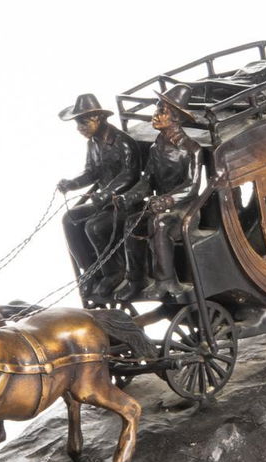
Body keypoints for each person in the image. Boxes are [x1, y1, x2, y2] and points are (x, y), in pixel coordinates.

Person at [112, 85, 201, 300]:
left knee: (159, 224)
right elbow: (147, 180)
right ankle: (135, 279)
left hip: (186, 210)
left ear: (176, 118)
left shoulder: (191, 149)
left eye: (162, 111)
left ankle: (167, 281)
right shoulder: (155, 147)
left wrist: (167, 200)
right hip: (159, 206)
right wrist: (128, 197)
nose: (155, 114)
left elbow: (192, 186)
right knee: (131, 222)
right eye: (157, 109)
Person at [56, 94, 140, 300]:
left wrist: (107, 193)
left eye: (83, 123)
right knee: (70, 219)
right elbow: (91, 172)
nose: (79, 128)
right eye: (78, 123)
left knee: (95, 227)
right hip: (102, 202)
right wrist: (72, 183)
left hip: (126, 203)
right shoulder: (92, 143)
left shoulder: (123, 143)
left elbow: (130, 175)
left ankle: (114, 272)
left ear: (98, 118)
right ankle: (90, 271)